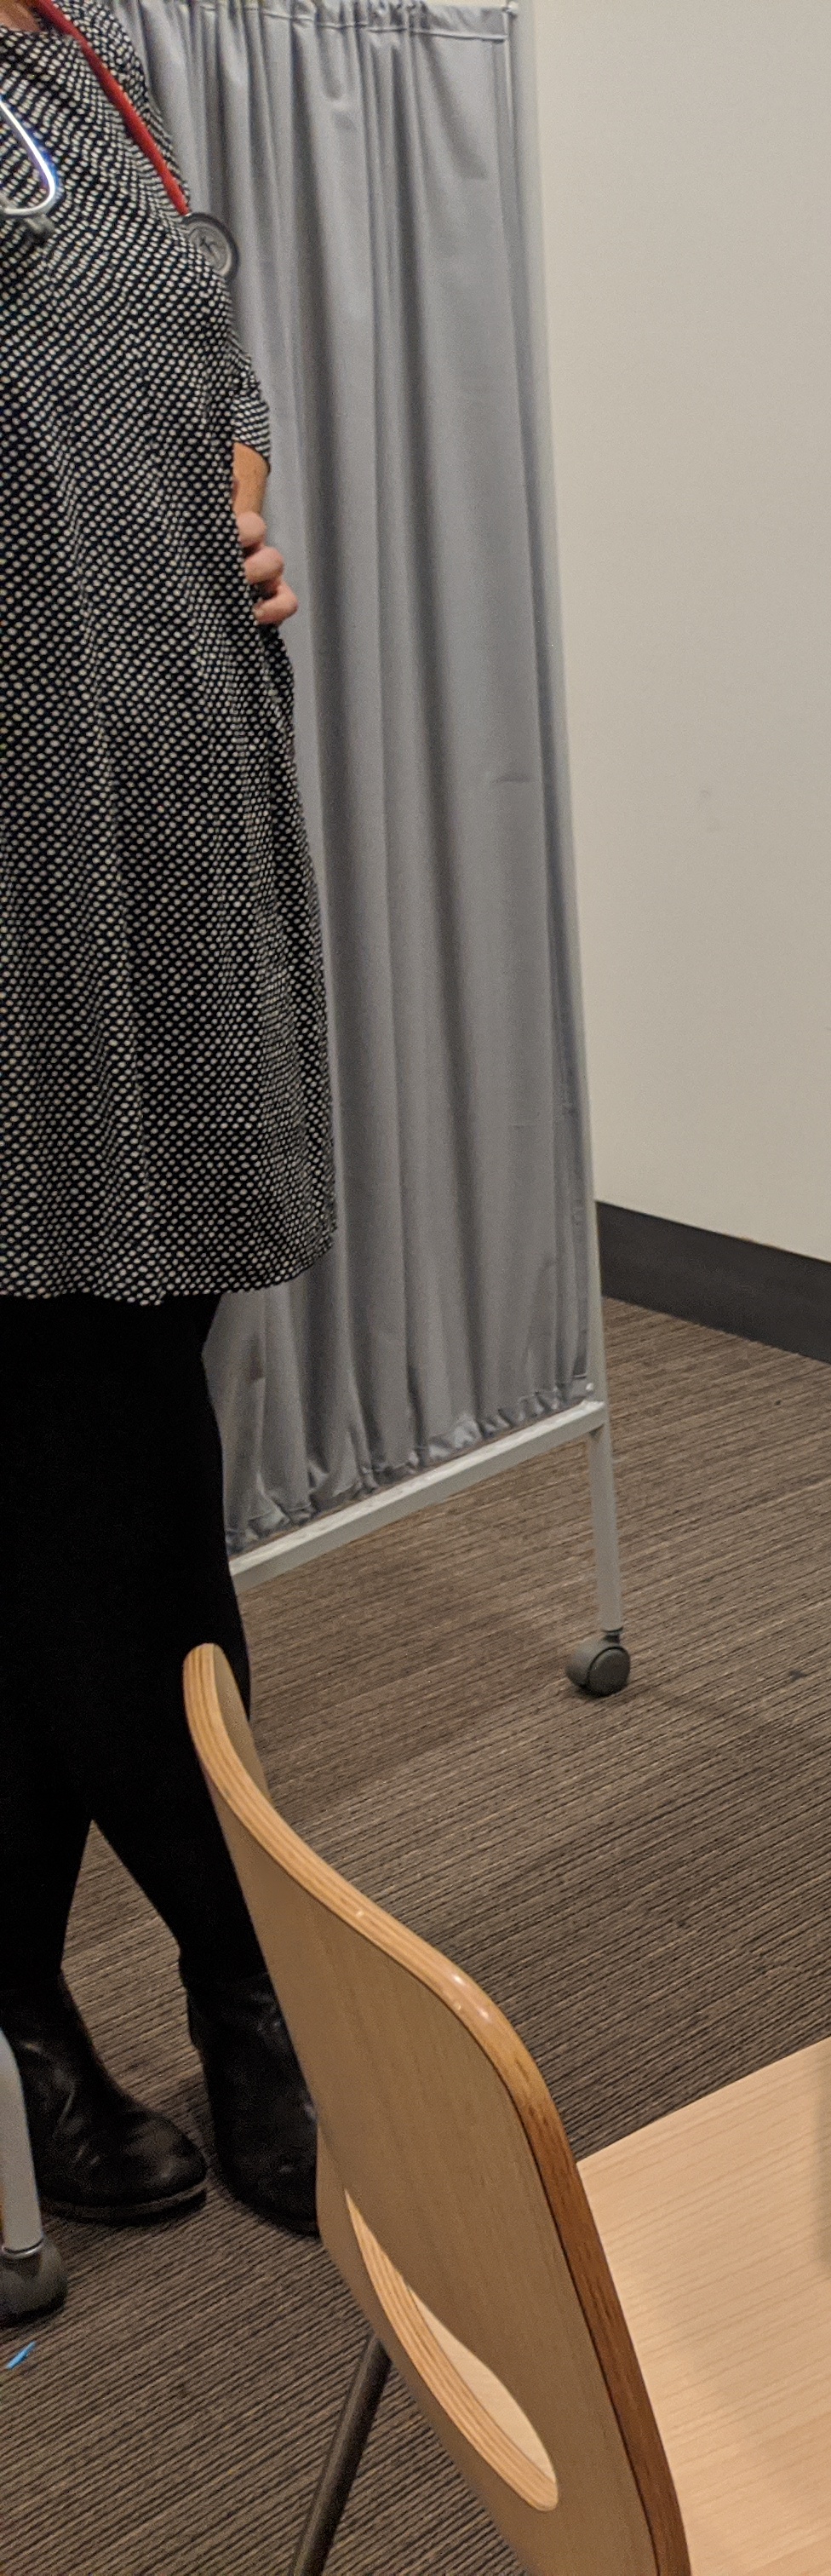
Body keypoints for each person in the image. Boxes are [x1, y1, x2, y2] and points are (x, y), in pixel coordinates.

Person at [0, 0, 324, 2236]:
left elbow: (189, 358)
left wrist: (241, 489)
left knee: (96, 1470)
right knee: (100, 1490)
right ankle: (249, 1980)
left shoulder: (90, 66)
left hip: (171, 853)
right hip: (27, 898)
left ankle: (20, 2019)